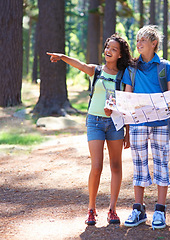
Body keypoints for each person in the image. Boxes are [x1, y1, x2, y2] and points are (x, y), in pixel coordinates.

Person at [47, 33, 133, 225]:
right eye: (107, 48)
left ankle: (112, 209)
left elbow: (127, 103)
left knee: (116, 166)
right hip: (94, 122)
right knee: (96, 166)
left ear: (120, 54)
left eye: (113, 49)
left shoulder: (124, 74)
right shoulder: (97, 71)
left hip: (115, 124)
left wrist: (127, 129)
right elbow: (80, 65)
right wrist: (62, 57)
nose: (108, 51)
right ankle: (91, 209)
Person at [120, 25, 170, 230]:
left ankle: (160, 210)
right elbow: (128, 98)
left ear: (154, 43)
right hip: (138, 124)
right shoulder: (131, 68)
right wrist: (127, 130)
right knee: (139, 165)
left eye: (143, 41)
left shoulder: (166, 67)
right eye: (137, 41)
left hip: (161, 124)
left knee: (161, 164)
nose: (138, 44)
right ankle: (138, 209)